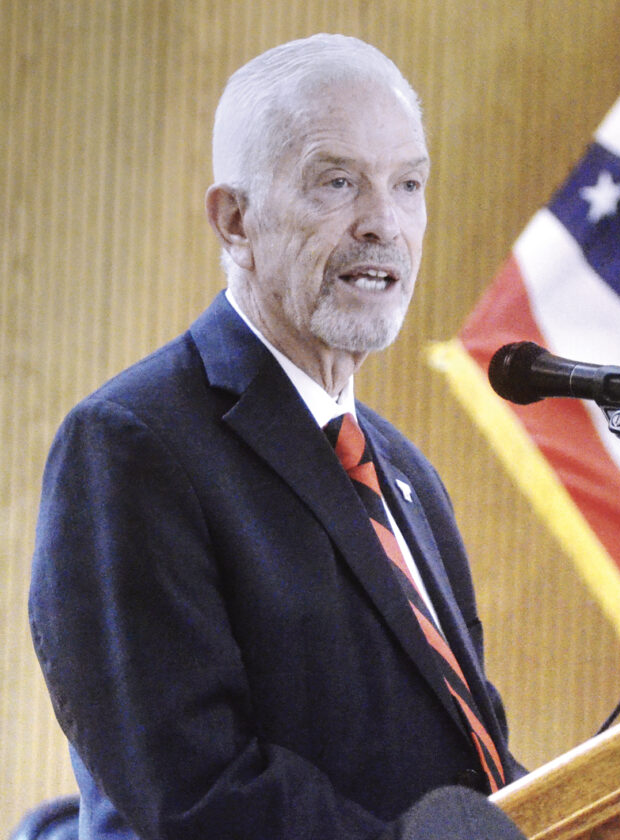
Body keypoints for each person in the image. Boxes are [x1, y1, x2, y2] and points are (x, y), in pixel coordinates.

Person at [29, 34, 527, 840]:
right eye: (337, 183)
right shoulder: (132, 445)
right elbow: (193, 792)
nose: (384, 223)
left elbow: (472, 767)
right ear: (235, 221)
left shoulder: (405, 474)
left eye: (408, 184)